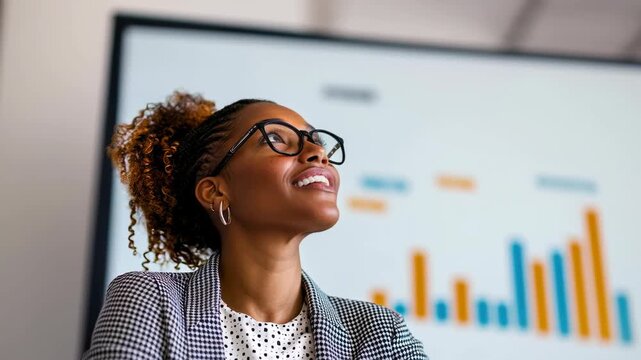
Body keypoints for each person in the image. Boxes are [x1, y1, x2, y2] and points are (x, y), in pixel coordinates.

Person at [83, 92, 428, 359]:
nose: (317, 153)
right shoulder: (150, 302)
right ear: (216, 190)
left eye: (318, 144)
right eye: (276, 139)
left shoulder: (382, 333)